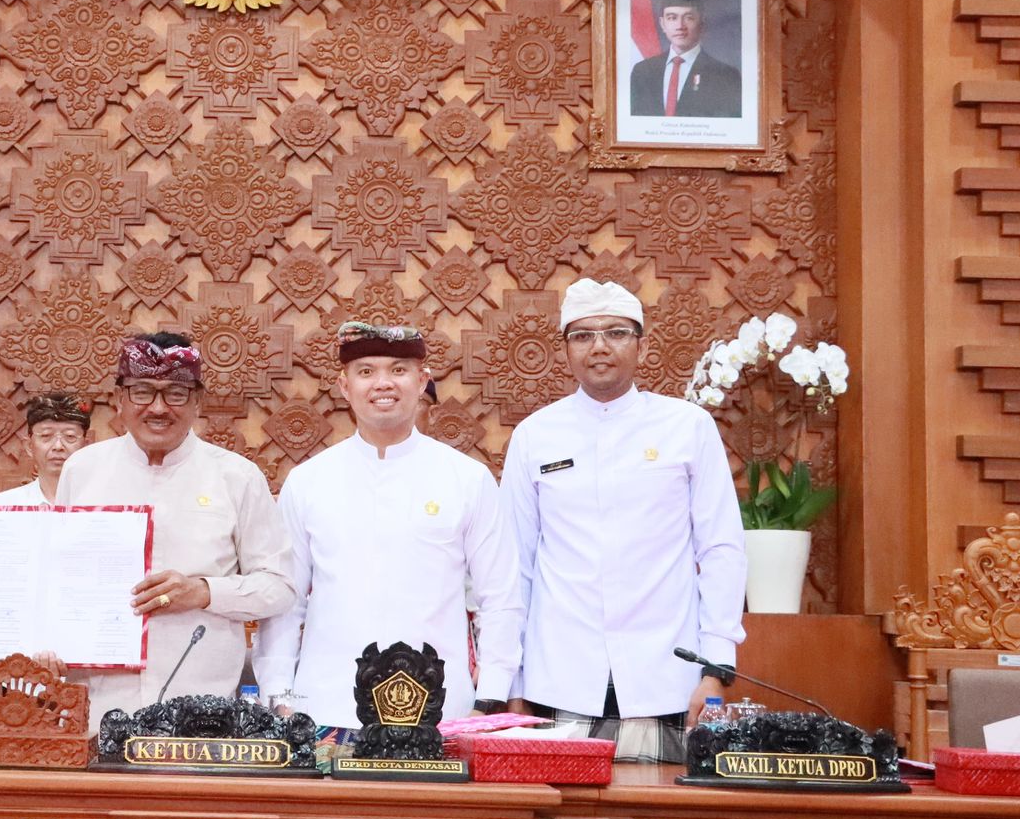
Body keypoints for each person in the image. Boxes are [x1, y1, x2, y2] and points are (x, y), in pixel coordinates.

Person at [500, 279, 747, 762]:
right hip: (559, 681)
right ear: (565, 351)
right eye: (582, 335)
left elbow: (722, 550)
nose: (599, 347)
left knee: (664, 809)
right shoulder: (535, 435)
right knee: (561, 808)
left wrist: (716, 667)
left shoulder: (687, 427)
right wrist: (513, 682)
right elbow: (514, 566)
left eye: (616, 332)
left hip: (669, 679)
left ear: (642, 346)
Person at [254, 322, 523, 739]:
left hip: (442, 714)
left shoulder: (467, 478)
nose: (383, 383)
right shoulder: (308, 481)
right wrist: (278, 697)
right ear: (344, 386)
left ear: (422, 380)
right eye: (366, 371)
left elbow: (500, 597)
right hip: (326, 709)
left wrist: (488, 698)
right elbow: (286, 601)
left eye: (398, 370)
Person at [55, 332, 294, 732]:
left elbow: (279, 587)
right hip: (97, 711)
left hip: (202, 718)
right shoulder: (82, 470)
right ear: (118, 398)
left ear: (198, 401)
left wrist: (203, 592)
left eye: (176, 393)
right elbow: (58, 576)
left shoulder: (236, 477)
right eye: (142, 391)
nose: (158, 407)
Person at [628, 0, 742, 118]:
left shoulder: (725, 76)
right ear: (662, 24)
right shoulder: (642, 72)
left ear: (702, 23)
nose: (680, 26)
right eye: (672, 17)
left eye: (689, 18)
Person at [0, 392, 93, 507]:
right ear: (29, 446)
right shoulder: (2, 506)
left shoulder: (102, 504)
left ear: (85, 447)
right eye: (46, 435)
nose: (58, 446)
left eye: (70, 436)